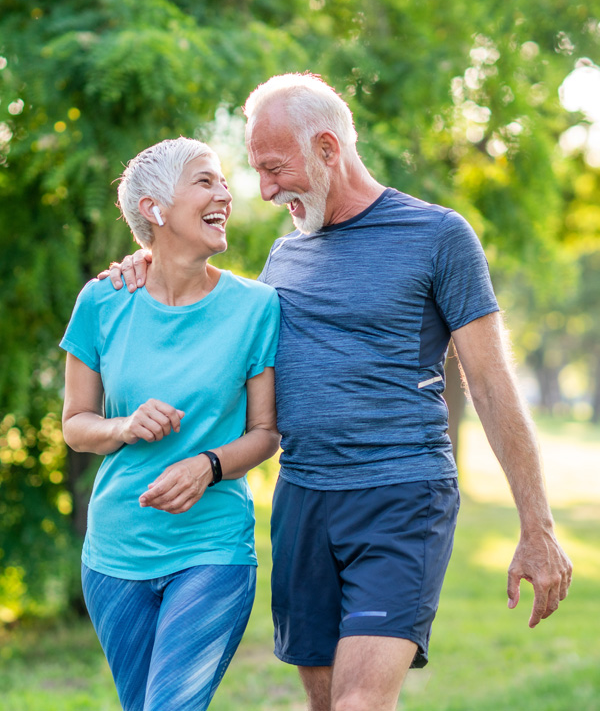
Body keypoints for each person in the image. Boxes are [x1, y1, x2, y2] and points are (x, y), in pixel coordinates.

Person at [104, 74, 572, 711]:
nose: (265, 191)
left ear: (327, 150)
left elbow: (491, 385)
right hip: (303, 502)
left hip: (400, 495)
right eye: (258, 174)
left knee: (360, 704)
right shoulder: (282, 258)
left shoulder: (437, 236)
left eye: (274, 170)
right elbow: (209, 312)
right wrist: (146, 261)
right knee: (327, 704)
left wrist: (536, 526)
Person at [61, 137, 281, 711]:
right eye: (205, 181)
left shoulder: (256, 307)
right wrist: (125, 426)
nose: (225, 195)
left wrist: (209, 466)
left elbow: (267, 431)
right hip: (116, 553)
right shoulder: (102, 301)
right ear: (154, 210)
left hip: (213, 549)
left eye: (224, 183)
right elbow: (75, 425)